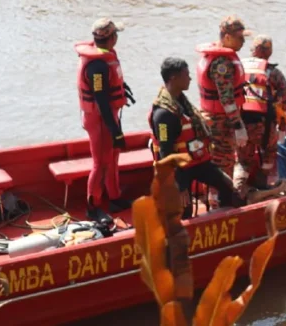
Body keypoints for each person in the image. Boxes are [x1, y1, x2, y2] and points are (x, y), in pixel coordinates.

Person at [148, 57, 242, 219]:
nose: (190, 78)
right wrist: (178, 186)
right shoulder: (163, 114)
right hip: (179, 170)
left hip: (198, 162)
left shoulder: (182, 102)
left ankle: (223, 221)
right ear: (174, 78)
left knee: (228, 187)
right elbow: (165, 152)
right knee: (184, 208)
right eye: (186, 75)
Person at [75, 18, 134, 223]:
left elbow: (108, 87)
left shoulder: (104, 58)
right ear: (111, 38)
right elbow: (100, 99)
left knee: (113, 157)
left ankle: (115, 197)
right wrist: (114, 130)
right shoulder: (97, 66)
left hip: (108, 116)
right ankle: (93, 206)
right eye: (116, 34)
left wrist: (122, 88)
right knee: (100, 163)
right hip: (100, 120)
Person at [196, 16, 251, 205]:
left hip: (214, 117)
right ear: (227, 38)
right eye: (240, 37)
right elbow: (226, 98)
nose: (243, 41)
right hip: (220, 120)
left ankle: (214, 197)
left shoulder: (217, 57)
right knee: (223, 160)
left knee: (218, 158)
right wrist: (238, 125)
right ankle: (218, 201)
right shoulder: (223, 64)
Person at [233, 35, 286, 199]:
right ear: (269, 52)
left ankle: (237, 191)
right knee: (270, 151)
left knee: (242, 161)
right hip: (264, 126)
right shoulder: (274, 73)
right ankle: (262, 181)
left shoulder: (239, 67)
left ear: (253, 50)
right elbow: (283, 104)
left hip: (240, 124)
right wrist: (282, 129)